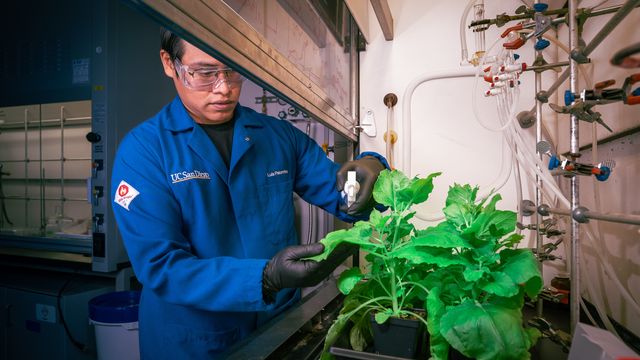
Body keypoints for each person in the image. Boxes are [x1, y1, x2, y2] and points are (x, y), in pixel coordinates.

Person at [111, 29, 387, 359]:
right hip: (193, 340)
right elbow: (161, 266)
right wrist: (265, 278)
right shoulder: (143, 151)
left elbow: (349, 200)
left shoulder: (277, 136)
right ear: (169, 63)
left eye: (232, 70)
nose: (224, 88)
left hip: (280, 325)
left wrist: (373, 167)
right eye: (204, 73)